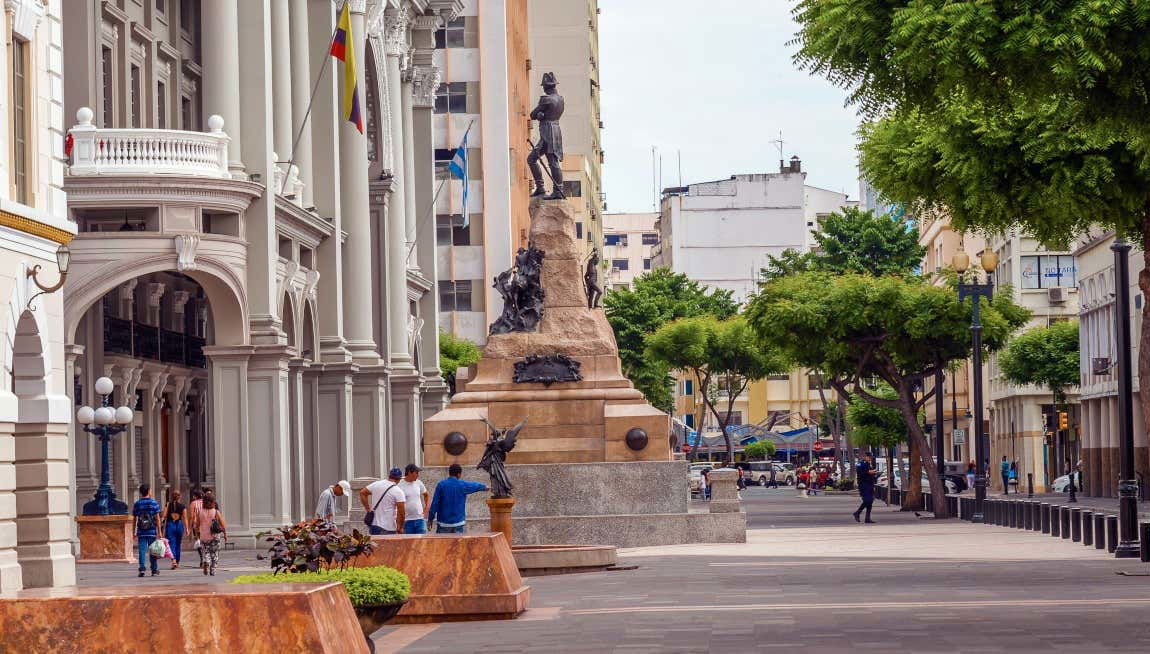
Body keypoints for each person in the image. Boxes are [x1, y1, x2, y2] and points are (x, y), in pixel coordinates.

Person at [428, 464, 488, 533]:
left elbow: (434, 504)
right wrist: (484, 487)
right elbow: (474, 486)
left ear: (449, 473)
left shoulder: (441, 485)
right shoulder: (462, 485)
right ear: (459, 474)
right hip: (459, 524)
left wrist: (430, 519)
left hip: (443, 524)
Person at [361, 468, 407, 535]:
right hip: (388, 527)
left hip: (374, 526)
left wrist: (368, 509)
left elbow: (362, 492)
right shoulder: (398, 491)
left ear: (389, 476)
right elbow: (401, 513)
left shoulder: (376, 484)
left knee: (375, 545)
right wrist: (400, 527)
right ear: (399, 479)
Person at [132, 484, 162, 577]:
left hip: (141, 531)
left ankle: (142, 569)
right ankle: (154, 569)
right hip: (152, 530)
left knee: (142, 550)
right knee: (153, 550)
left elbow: (135, 519)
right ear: (148, 491)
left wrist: (134, 531)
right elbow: (157, 519)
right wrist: (160, 531)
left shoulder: (137, 504)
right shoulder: (154, 503)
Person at [194, 493, 226, 575]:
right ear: (213, 502)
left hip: (204, 536)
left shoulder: (200, 512)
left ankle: (206, 561)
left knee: (205, 552)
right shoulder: (216, 512)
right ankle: (212, 569)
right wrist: (225, 534)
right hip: (214, 536)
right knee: (215, 553)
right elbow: (223, 525)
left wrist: (197, 535)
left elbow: (197, 526)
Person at [398, 464, 430, 534]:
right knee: (408, 543)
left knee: (422, 542)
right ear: (409, 472)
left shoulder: (418, 482)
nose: (418, 475)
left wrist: (426, 508)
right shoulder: (399, 484)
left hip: (420, 519)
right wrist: (399, 525)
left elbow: (426, 495)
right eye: (416, 473)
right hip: (406, 521)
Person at [162, 490, 188, 570]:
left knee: (171, 544)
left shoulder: (168, 504)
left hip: (170, 525)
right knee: (178, 544)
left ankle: (174, 561)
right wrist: (187, 529)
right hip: (179, 525)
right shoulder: (182, 506)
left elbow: (164, 515)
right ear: (180, 497)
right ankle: (177, 562)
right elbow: (185, 518)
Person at [854, 453, 877, 523]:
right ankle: (857, 513)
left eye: (871, 457)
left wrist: (873, 472)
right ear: (865, 457)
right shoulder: (860, 464)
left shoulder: (868, 464)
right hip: (864, 485)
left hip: (870, 484)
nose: (870, 459)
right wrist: (870, 472)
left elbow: (870, 473)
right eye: (869, 457)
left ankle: (867, 518)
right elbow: (861, 473)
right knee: (867, 500)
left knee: (870, 501)